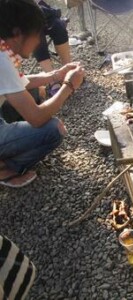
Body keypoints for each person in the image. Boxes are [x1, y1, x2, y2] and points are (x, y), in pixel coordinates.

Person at [0, 0, 85, 188]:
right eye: (37, 34)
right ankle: (5, 169)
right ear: (16, 33)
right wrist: (68, 85)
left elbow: (18, 81)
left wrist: (56, 74)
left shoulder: (3, 49)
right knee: (53, 130)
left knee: (33, 92)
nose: (39, 41)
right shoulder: (2, 61)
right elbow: (37, 118)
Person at [34, 0, 72, 95]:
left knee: (58, 26)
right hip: (19, 21)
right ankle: (52, 79)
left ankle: (67, 69)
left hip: (38, 11)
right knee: (35, 34)